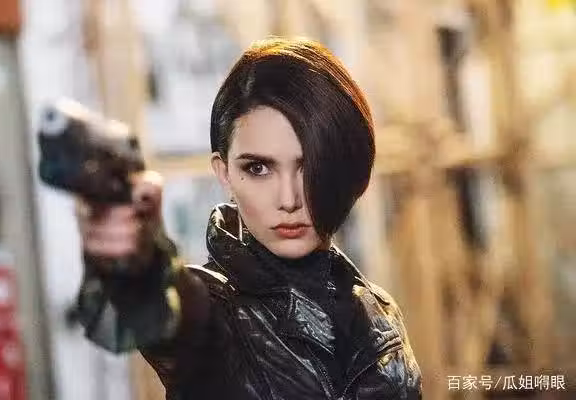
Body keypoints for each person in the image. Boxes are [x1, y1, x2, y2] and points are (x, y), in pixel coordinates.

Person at [75, 37, 422, 399]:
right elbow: (161, 312)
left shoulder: (378, 309)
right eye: (258, 168)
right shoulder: (214, 315)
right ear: (224, 173)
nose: (288, 199)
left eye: (308, 167)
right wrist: (132, 262)